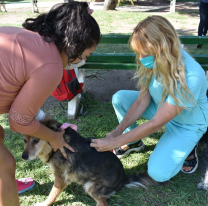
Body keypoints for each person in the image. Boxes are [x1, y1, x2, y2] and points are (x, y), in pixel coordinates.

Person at [0, 2, 100, 206]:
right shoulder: (51, 65)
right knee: (5, 165)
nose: (83, 60)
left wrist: (46, 120)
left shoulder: (30, 38)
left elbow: (20, 100)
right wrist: (54, 137)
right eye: (86, 55)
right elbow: (19, 122)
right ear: (75, 45)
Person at [90, 15, 208, 183]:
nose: (140, 58)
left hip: (187, 124)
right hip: (161, 108)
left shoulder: (192, 75)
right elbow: (141, 100)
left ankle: (190, 146)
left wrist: (115, 142)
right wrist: (118, 131)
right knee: (120, 98)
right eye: (138, 52)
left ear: (162, 48)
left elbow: (156, 123)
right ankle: (134, 142)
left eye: (144, 53)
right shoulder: (154, 61)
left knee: (158, 173)